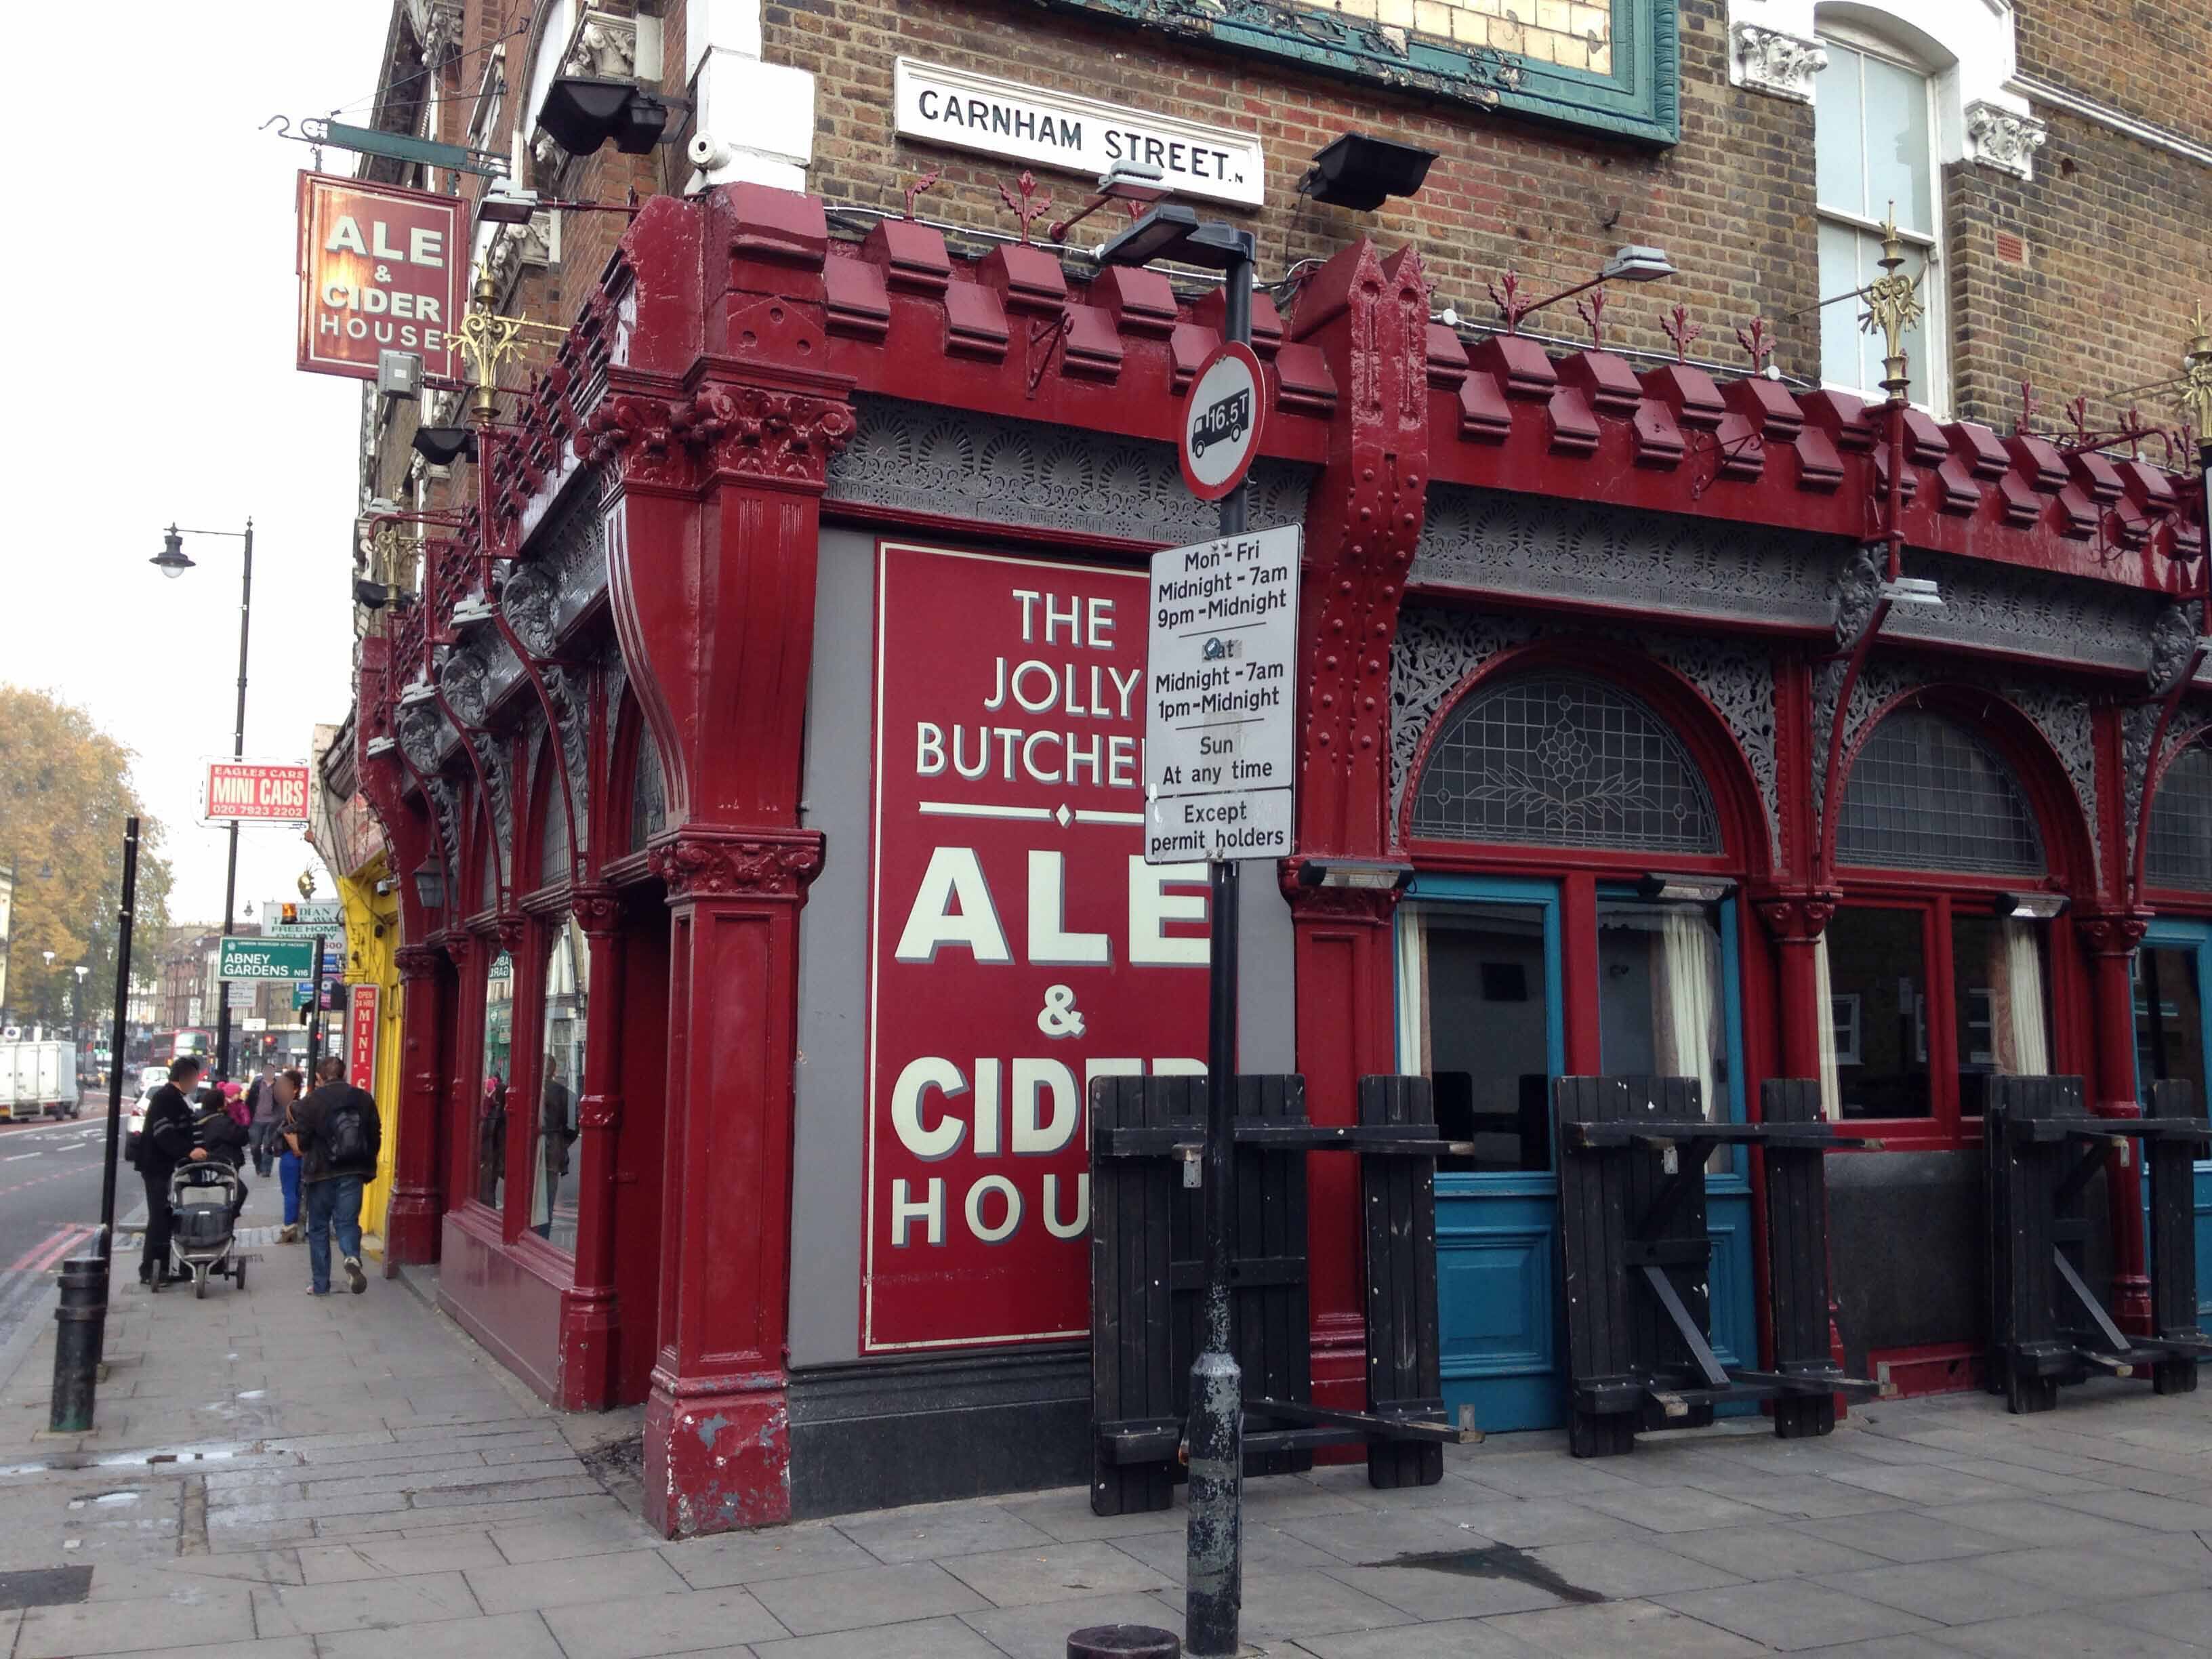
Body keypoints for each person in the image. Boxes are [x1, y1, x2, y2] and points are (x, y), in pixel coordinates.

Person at [289, 1056, 381, 1296]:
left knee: (319, 1227)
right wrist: (366, 1162)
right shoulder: (363, 1098)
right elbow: (374, 1134)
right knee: (347, 1221)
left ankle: (320, 1285)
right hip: (352, 1170)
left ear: (319, 1077)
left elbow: (304, 1140)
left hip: (320, 1172)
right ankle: (351, 1255)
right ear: (344, 1073)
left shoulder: (311, 1102)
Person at [132, 1057, 201, 1287]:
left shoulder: (175, 1099)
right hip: (157, 1167)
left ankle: (161, 1268)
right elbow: (164, 1134)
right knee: (160, 1217)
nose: (197, 1082)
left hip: (165, 1166)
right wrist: (189, 1152)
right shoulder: (167, 1099)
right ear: (185, 1077)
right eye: (195, 1077)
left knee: (165, 1216)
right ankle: (152, 1270)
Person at [190, 1082, 251, 1223]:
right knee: (236, 1192)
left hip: (199, 1166)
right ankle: (225, 1221)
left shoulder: (196, 1118)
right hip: (223, 1163)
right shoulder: (222, 1122)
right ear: (220, 1104)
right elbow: (241, 1137)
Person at [273, 1067, 306, 1243]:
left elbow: (290, 1131)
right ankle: (295, 1227)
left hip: (291, 1155)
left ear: (294, 1088)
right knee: (296, 1192)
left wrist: (296, 1148)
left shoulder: (292, 1107)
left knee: (290, 1191)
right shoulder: (295, 1106)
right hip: (295, 1155)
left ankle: (289, 1226)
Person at [245, 1061, 282, 1177]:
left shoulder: (279, 1085)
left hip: (272, 1121)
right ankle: (258, 1165)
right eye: (266, 1070)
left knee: (268, 1145)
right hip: (256, 1119)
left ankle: (266, 1169)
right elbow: (249, 1101)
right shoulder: (256, 1085)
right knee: (255, 1145)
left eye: (271, 1070)